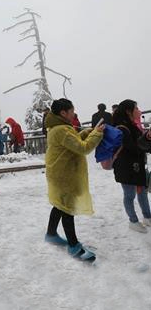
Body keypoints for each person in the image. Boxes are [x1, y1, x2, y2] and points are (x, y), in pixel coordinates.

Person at [44, 99, 104, 261]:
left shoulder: (58, 128)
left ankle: (51, 234)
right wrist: (97, 134)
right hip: (64, 175)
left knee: (60, 204)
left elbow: (73, 141)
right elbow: (83, 148)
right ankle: (73, 245)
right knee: (67, 208)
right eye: (72, 111)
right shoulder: (62, 129)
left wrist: (87, 132)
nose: (74, 113)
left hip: (59, 173)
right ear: (63, 113)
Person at [112, 100, 151, 233]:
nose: (139, 110)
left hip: (137, 166)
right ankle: (133, 221)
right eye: (136, 108)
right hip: (126, 168)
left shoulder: (132, 125)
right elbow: (133, 148)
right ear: (129, 111)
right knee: (129, 195)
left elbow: (140, 145)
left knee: (143, 192)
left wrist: (146, 137)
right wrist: (147, 138)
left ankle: (147, 217)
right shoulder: (122, 128)